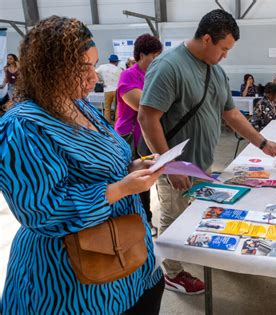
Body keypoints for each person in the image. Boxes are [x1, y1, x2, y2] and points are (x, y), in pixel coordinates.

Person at [0, 16, 165, 314]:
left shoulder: (79, 104)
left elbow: (102, 166)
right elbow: (41, 211)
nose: (94, 77)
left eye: (94, 64)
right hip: (72, 280)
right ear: (50, 70)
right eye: (82, 67)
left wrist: (132, 168)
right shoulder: (23, 126)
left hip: (129, 257)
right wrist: (119, 189)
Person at [138, 9, 276, 295]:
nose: (226, 55)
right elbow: (147, 118)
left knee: (202, 214)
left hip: (202, 164)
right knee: (173, 216)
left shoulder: (214, 69)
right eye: (224, 48)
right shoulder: (169, 66)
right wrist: (173, 166)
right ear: (207, 39)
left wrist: (262, 142)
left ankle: (197, 256)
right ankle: (172, 272)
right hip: (176, 166)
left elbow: (230, 114)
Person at [115, 34, 163, 237]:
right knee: (138, 182)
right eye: (154, 56)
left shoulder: (154, 75)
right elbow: (142, 106)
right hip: (130, 135)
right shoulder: (128, 75)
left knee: (149, 178)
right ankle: (145, 222)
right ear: (141, 55)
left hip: (147, 133)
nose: (157, 60)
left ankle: (145, 219)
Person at [96, 53, 122, 123]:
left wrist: (100, 80)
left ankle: (107, 123)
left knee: (107, 109)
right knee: (117, 109)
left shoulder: (102, 67)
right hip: (116, 91)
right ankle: (116, 124)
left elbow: (95, 72)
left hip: (107, 90)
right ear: (116, 62)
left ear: (109, 60)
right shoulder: (119, 69)